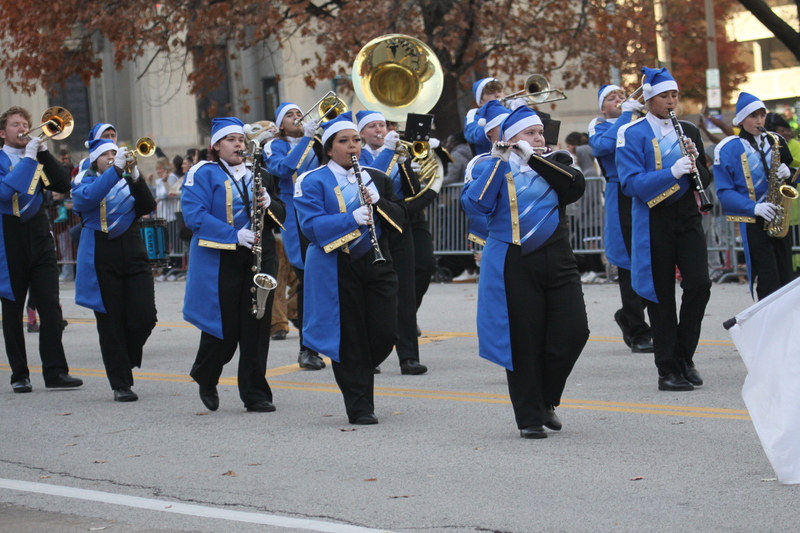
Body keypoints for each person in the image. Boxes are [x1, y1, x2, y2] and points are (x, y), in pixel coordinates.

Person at [462, 105, 589, 439]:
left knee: (574, 330)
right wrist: (502, 159)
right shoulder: (487, 166)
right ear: (510, 137)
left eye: (540, 132)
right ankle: (529, 416)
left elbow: (574, 188)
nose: (539, 137)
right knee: (523, 339)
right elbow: (476, 204)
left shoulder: (557, 161)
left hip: (558, 256)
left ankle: (546, 398)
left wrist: (533, 157)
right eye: (530, 133)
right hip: (512, 260)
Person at [293, 114, 405, 424]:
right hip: (337, 264)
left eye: (355, 140)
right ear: (329, 149)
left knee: (385, 332)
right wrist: (350, 219)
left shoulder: (375, 177)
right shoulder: (312, 180)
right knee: (349, 337)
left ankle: (359, 373)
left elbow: (400, 221)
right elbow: (311, 228)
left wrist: (380, 203)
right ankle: (359, 405)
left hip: (375, 260)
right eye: (344, 141)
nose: (352, 146)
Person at [616, 67, 712, 392]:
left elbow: (705, 180)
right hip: (654, 218)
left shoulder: (688, 129)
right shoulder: (633, 133)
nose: (671, 101)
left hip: (687, 216)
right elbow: (630, 184)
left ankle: (684, 356)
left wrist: (696, 160)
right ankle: (667, 369)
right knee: (661, 297)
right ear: (649, 99)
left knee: (700, 284)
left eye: (674, 95)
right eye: (664, 96)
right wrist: (671, 171)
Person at [182, 117, 286, 412]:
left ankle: (255, 393)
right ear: (216, 146)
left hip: (260, 255)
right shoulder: (204, 173)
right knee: (224, 329)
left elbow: (282, 215)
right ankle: (206, 375)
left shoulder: (260, 174)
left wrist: (269, 204)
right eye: (231, 140)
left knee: (256, 324)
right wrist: (233, 235)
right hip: (223, 256)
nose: (238, 144)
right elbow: (194, 215)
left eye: (241, 139)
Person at [0, 106, 83, 393]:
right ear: (2, 133)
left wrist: (44, 153)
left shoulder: (36, 157)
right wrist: (29, 158)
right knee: (12, 311)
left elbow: (62, 184)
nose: (23, 128)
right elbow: (5, 192)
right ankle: (19, 374)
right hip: (8, 239)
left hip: (39, 235)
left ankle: (55, 371)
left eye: (26, 123)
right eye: (15, 125)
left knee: (49, 305)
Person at [72, 138, 157, 402]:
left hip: (132, 248)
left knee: (145, 316)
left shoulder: (125, 178)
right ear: (95, 158)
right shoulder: (84, 178)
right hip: (101, 251)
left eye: (114, 152)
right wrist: (115, 171)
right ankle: (120, 383)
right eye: (106, 154)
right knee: (110, 322)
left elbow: (147, 206)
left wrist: (134, 176)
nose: (112, 156)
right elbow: (86, 200)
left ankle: (126, 358)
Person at [356, 109, 435, 375]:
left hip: (399, 223)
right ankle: (372, 353)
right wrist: (390, 154)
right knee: (375, 291)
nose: (379, 130)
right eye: (373, 127)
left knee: (407, 288)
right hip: (371, 227)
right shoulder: (360, 155)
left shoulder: (396, 153)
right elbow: (368, 181)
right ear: (362, 133)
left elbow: (414, 191)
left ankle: (408, 356)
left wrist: (409, 164)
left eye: (382, 125)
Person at [588, 84, 654, 353]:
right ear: (603, 107)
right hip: (620, 191)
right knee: (629, 262)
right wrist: (626, 116)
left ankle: (629, 314)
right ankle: (637, 329)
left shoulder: (640, 121)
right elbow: (602, 147)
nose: (619, 99)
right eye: (611, 98)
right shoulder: (600, 123)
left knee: (651, 259)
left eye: (621, 96)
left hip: (645, 188)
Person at [713, 92, 795, 300]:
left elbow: (793, 176)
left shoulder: (776, 141)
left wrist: (790, 174)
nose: (760, 121)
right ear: (740, 120)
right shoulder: (729, 148)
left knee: (787, 279)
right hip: (754, 220)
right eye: (753, 116)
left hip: (779, 216)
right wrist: (754, 208)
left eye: (762, 115)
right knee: (768, 281)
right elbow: (724, 191)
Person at [264, 102, 326, 371]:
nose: (297, 118)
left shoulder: (316, 141)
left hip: (319, 210)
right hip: (294, 215)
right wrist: (308, 139)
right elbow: (284, 169)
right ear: (280, 124)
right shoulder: (273, 145)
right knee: (306, 281)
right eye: (290, 115)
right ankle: (307, 349)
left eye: (299, 113)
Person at [464, 78, 504, 155]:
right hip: (488, 162)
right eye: (491, 93)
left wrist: (520, 111)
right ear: (481, 100)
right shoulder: (474, 115)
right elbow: (476, 137)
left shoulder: (510, 111)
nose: (498, 95)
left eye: (499, 91)